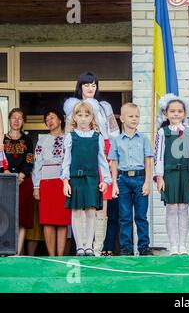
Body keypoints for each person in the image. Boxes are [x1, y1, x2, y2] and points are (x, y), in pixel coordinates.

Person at [63, 72, 120, 256]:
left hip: (102, 152)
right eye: (87, 85)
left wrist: (111, 164)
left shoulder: (104, 107)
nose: (90, 88)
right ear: (80, 87)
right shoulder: (73, 107)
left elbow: (114, 132)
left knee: (100, 207)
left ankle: (96, 248)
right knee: (79, 207)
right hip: (80, 156)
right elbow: (68, 137)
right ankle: (81, 246)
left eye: (94, 85)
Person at [61, 101, 111, 256]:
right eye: (79, 115)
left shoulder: (97, 137)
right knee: (76, 212)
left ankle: (89, 246)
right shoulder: (70, 136)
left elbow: (102, 160)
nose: (83, 118)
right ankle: (79, 247)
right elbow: (66, 160)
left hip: (92, 179)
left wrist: (106, 180)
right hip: (76, 178)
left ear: (92, 117)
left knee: (91, 211)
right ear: (74, 117)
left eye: (86, 115)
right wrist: (65, 181)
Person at [154, 94, 189, 255]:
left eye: (179, 111)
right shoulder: (162, 132)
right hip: (169, 174)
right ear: (166, 114)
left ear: (184, 114)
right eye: (172, 111)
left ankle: (183, 245)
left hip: (186, 174)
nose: (176, 114)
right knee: (172, 208)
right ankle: (173, 244)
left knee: (184, 208)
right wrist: (159, 176)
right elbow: (158, 155)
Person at [109, 103, 153, 256]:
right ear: (122, 118)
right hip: (123, 180)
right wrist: (114, 184)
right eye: (131, 116)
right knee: (125, 216)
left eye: (137, 116)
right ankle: (126, 248)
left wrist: (147, 182)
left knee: (141, 216)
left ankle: (144, 247)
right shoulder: (117, 140)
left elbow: (148, 161)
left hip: (140, 179)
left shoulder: (144, 138)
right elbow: (114, 163)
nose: (134, 119)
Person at [32, 109, 71, 256]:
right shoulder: (42, 139)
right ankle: (51, 256)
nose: (49, 121)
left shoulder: (69, 138)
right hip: (46, 182)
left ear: (60, 120)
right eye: (47, 119)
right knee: (48, 220)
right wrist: (36, 186)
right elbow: (37, 163)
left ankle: (60, 256)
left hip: (63, 182)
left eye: (52, 118)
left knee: (62, 220)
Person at [1, 108, 34, 255]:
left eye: (19, 118)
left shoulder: (27, 140)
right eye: (13, 117)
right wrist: (6, 172)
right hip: (5, 183)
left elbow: (29, 160)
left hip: (23, 182)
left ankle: (18, 253)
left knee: (22, 218)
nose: (16, 120)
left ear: (23, 122)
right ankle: (4, 249)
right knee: (5, 216)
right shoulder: (2, 139)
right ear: (9, 119)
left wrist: (21, 174)